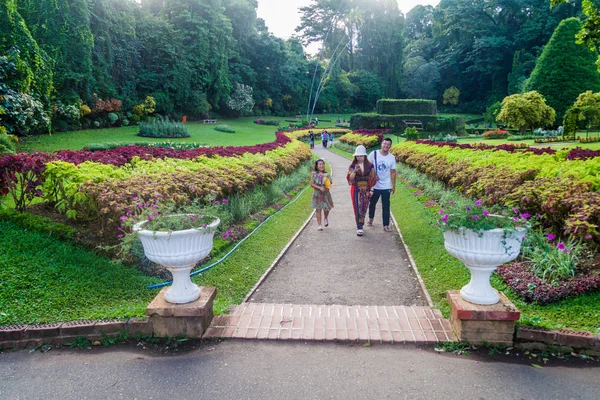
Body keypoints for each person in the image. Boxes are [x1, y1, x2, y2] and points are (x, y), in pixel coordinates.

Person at [367, 137, 396, 232]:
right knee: (372, 203)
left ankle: (386, 225)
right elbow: (367, 166)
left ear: (390, 146)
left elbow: (392, 172)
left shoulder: (391, 158)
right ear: (381, 144)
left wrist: (393, 185)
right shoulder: (373, 154)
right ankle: (370, 219)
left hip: (386, 185)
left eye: (388, 144)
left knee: (386, 205)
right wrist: (373, 175)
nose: (386, 145)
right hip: (374, 185)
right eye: (385, 143)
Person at [347, 145, 375, 236]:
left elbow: (373, 177)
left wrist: (371, 189)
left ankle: (361, 223)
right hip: (356, 189)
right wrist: (355, 171)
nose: (359, 157)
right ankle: (359, 226)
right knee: (357, 207)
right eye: (357, 156)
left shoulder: (370, 165)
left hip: (366, 189)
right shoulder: (352, 165)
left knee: (364, 207)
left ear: (364, 156)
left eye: (361, 156)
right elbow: (350, 179)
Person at [310, 159, 333, 230]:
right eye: (319, 164)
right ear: (316, 166)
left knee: (327, 209)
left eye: (322, 164)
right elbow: (312, 184)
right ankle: (319, 225)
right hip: (317, 194)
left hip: (325, 194)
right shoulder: (314, 174)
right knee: (318, 209)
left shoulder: (327, 175)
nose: (321, 165)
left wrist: (326, 188)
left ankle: (325, 218)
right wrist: (319, 188)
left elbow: (330, 184)